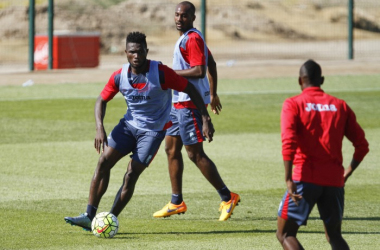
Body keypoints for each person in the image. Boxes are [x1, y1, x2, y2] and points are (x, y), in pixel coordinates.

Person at [64, 31, 215, 231]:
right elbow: (101, 100)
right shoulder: (120, 75)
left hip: (152, 133)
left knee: (131, 174)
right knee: (103, 162)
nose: (137, 56)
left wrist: (205, 117)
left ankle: (109, 219)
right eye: (133, 52)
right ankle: (89, 215)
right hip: (129, 126)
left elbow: (190, 88)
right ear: (126, 53)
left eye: (141, 52)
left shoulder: (161, 73)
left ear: (147, 51)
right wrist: (99, 128)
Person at [153, 1, 239, 221]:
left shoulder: (192, 38)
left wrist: (170, 74)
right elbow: (213, 64)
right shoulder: (190, 37)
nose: (179, 19)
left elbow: (200, 70)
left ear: (192, 17)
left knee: (195, 154)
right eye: (176, 15)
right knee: (171, 149)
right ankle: (176, 202)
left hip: (189, 104)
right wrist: (213, 93)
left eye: (184, 16)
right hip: (177, 103)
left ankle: (227, 197)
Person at [276, 59, 369, 250]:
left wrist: (288, 178)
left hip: (304, 178)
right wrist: (348, 171)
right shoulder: (340, 106)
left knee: (285, 233)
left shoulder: (293, 104)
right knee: (334, 236)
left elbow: (289, 142)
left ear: (300, 81)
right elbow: (362, 145)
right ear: (322, 80)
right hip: (334, 181)